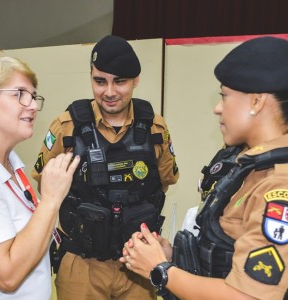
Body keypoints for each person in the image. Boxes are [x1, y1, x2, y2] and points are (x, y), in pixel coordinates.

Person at [120, 36, 288, 300]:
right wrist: (173, 257)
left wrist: (161, 270)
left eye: (225, 95)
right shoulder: (247, 165)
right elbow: (228, 257)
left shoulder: (279, 182)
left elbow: (250, 296)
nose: (217, 108)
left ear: (257, 101)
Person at [31, 35, 179, 299]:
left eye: (119, 81)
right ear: (91, 77)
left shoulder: (155, 127)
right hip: (82, 266)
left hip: (138, 264)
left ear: (136, 80)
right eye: (100, 81)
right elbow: (45, 185)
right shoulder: (66, 128)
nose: (109, 92)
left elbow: (164, 181)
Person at [0, 56, 80, 299]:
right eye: (19, 94)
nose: (31, 105)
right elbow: (6, 276)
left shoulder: (13, 167)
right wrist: (51, 200)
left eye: (33, 95)